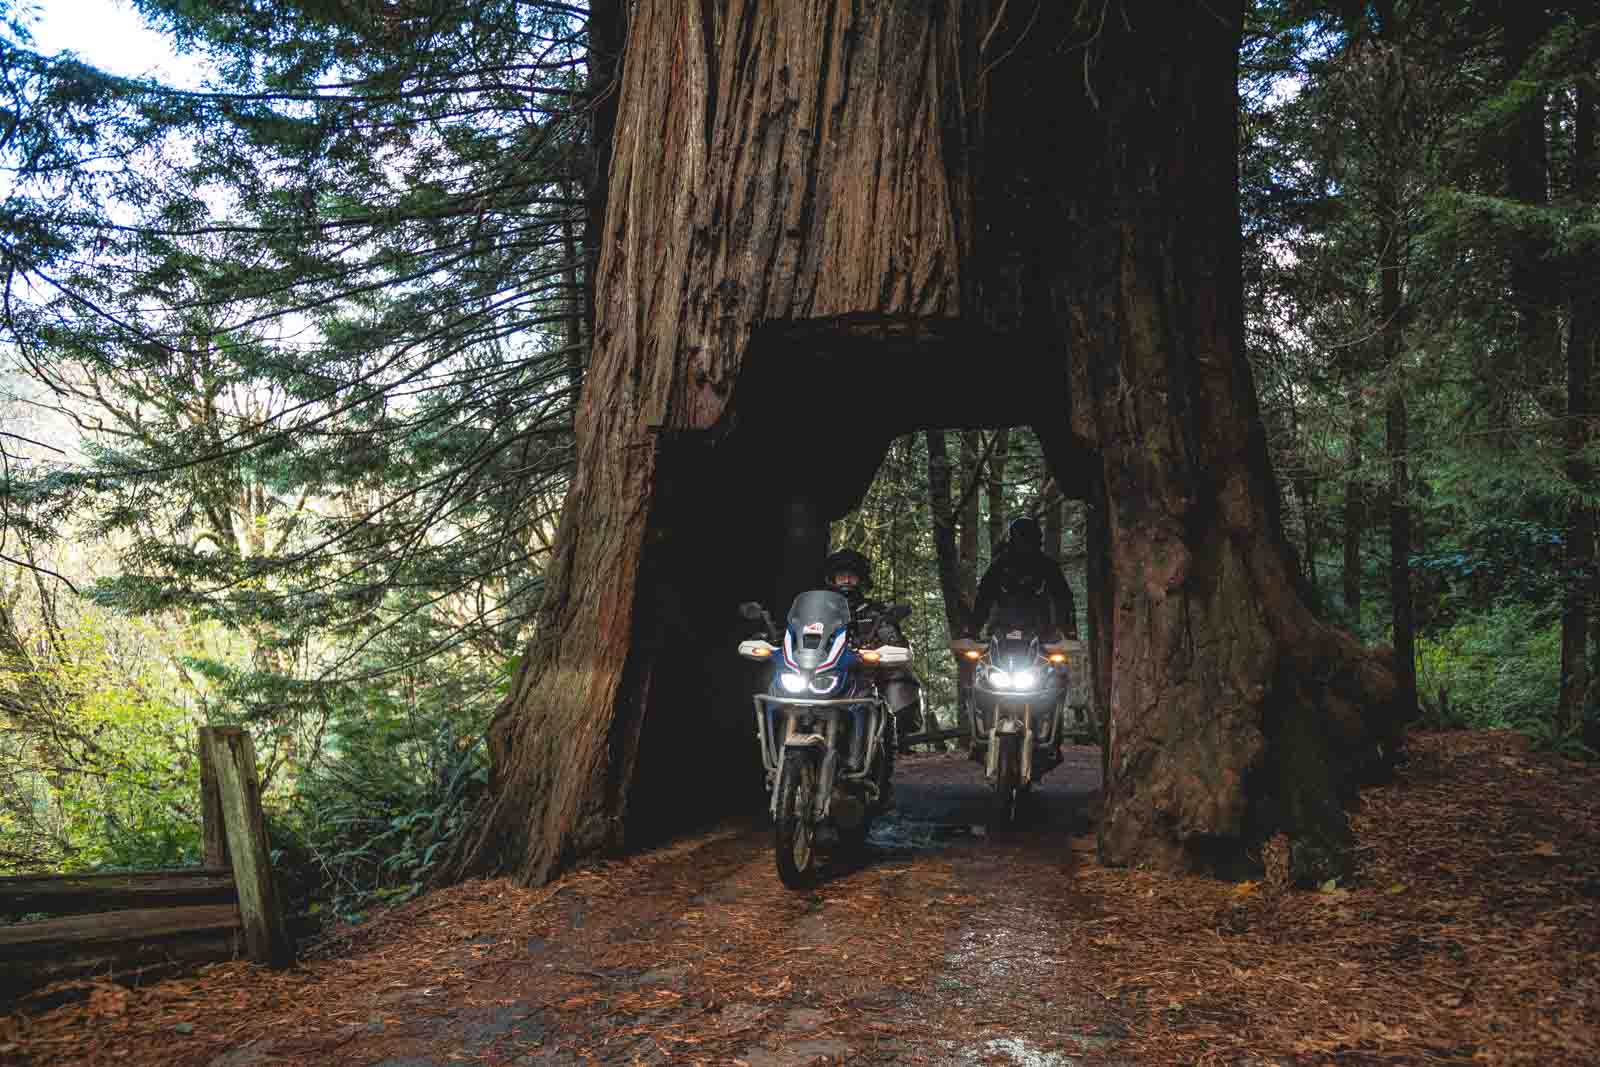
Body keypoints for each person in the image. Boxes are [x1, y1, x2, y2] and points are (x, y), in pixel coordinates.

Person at [821, 548, 926, 758]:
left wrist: (889, 643)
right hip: (827, 671)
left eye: (851, 576)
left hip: (865, 673)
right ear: (832, 579)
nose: (846, 581)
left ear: (861, 580)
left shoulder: (874, 610)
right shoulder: (822, 611)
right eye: (841, 575)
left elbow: (891, 636)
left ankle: (889, 742)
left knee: (896, 683)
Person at [970, 516, 1079, 642]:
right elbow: (984, 597)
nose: (1024, 545)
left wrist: (1069, 631)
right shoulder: (1000, 565)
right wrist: (972, 630)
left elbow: (1063, 598)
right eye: (1021, 539)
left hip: (1042, 635)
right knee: (984, 660)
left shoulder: (1047, 566)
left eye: (1028, 539)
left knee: (1058, 660)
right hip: (1001, 634)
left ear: (1036, 540)